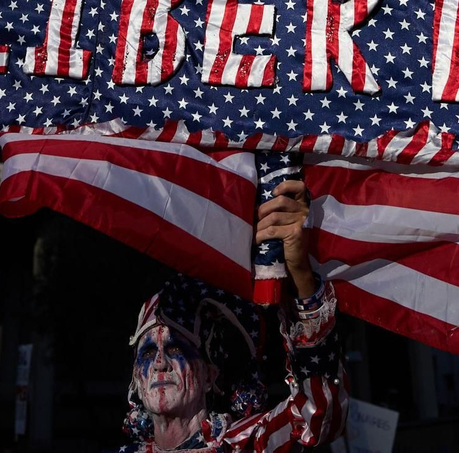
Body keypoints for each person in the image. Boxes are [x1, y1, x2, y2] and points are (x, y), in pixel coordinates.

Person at [113, 180, 345, 452]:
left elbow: (316, 418)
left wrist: (301, 274)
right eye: (149, 353)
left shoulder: (246, 444)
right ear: (136, 381)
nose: (160, 363)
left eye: (177, 348)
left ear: (211, 375)